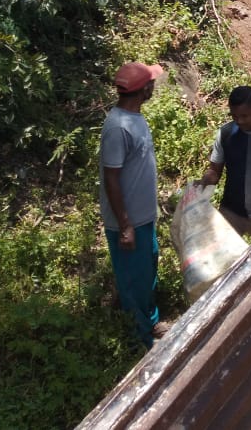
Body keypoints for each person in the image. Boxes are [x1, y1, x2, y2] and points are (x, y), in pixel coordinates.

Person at [99, 62, 167, 348]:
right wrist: (125, 224)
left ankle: (150, 321)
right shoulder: (117, 127)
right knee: (133, 280)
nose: (155, 87)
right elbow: (111, 179)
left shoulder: (135, 118)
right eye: (152, 83)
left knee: (147, 270)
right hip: (128, 223)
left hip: (143, 218)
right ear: (144, 90)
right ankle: (140, 339)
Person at [198, 86, 251, 236]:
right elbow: (214, 171)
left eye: (244, 116)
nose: (239, 121)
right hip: (231, 212)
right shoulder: (226, 133)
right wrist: (202, 184)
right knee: (224, 258)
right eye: (234, 116)